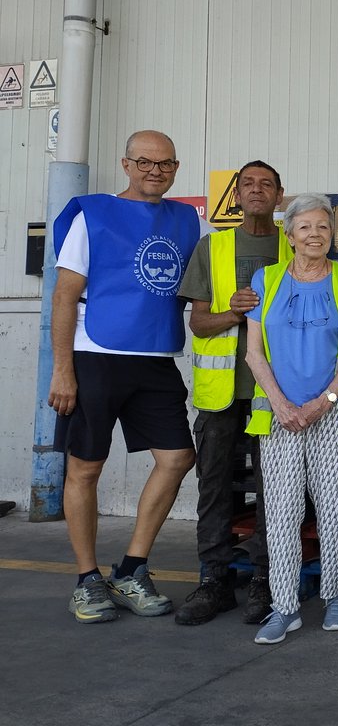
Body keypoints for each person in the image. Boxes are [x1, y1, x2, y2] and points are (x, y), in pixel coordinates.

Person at [48, 130, 201, 624]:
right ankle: (87, 579)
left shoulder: (185, 219)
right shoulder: (92, 215)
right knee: (85, 469)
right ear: (126, 163)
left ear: (176, 168)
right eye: (145, 162)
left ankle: (131, 568)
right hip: (96, 355)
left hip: (156, 358)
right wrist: (63, 371)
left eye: (165, 164)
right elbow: (64, 297)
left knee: (177, 458)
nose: (154, 171)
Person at [244, 193, 338, 644]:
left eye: (323, 227)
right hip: (280, 415)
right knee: (280, 514)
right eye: (305, 227)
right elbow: (253, 353)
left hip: (334, 415)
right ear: (290, 234)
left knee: (335, 508)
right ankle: (284, 607)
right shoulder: (266, 280)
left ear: (332, 235)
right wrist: (281, 403)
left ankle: (335, 595)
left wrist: (324, 401)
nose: (314, 234)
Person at [175, 160, 291, 626]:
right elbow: (198, 323)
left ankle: (267, 582)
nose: (257, 191)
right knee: (214, 488)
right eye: (248, 185)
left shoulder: (297, 243)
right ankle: (214, 582)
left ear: (280, 196)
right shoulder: (213, 247)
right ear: (236, 196)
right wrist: (233, 313)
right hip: (222, 392)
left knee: (276, 493)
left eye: (267, 184)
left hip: (277, 391)